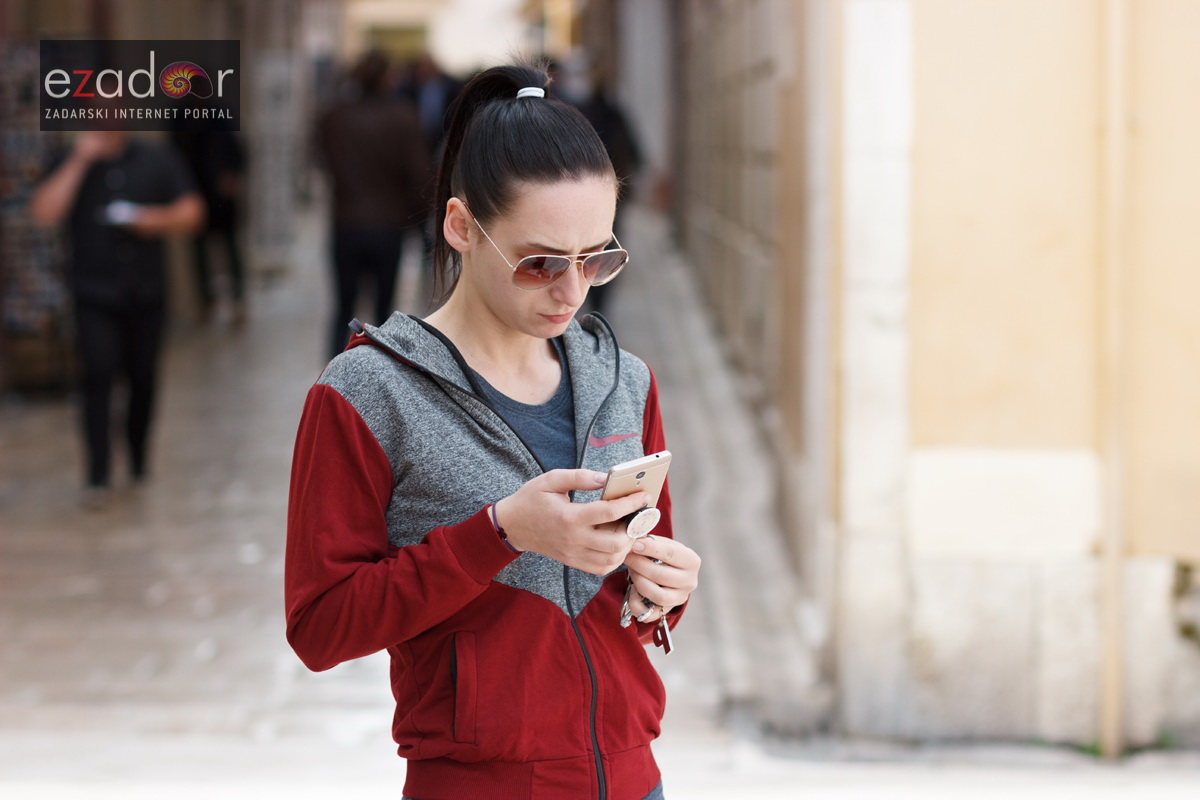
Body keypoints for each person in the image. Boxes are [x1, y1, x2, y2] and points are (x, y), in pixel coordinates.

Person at [286, 63, 701, 800]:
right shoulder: (366, 393)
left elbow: (634, 593)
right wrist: (500, 533)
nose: (571, 291)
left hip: (635, 780)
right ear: (461, 227)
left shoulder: (624, 380)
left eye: (596, 258)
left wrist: (664, 590)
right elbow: (320, 627)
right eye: (540, 262)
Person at [29, 129, 204, 503]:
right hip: (93, 294)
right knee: (97, 375)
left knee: (142, 379)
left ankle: (138, 459)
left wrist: (151, 220)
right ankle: (97, 472)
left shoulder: (155, 159)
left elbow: (193, 213)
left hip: (145, 294)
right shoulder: (70, 160)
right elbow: (43, 212)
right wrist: (80, 160)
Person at [316, 50, 432, 359]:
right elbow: (418, 175)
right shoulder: (402, 117)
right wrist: (420, 222)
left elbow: (322, 159)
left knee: (343, 307)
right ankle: (378, 377)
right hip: (387, 226)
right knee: (382, 311)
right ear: (386, 80)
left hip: (347, 222)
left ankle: (332, 377)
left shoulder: (335, 117)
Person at [171, 119, 248, 324]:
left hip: (222, 200)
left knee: (230, 250)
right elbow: (175, 156)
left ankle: (237, 299)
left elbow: (238, 152)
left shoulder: (219, 118)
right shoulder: (181, 119)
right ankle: (205, 303)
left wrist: (232, 176)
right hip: (197, 195)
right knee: (199, 255)